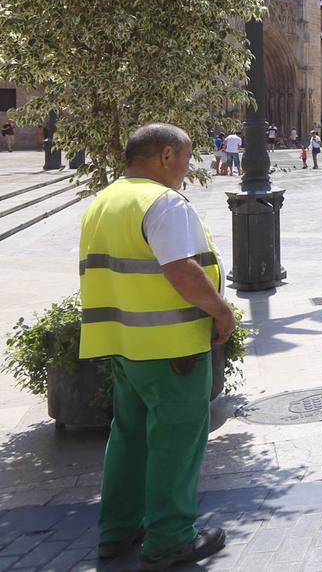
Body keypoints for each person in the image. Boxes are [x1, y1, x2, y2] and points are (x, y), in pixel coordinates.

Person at [78, 124, 233, 569]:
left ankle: (118, 530)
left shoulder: (104, 201)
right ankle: (169, 538)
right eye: (185, 159)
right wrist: (221, 310)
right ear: (166, 156)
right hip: (172, 347)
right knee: (177, 440)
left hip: (124, 343)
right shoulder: (162, 202)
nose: (187, 168)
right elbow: (181, 270)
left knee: (128, 437)